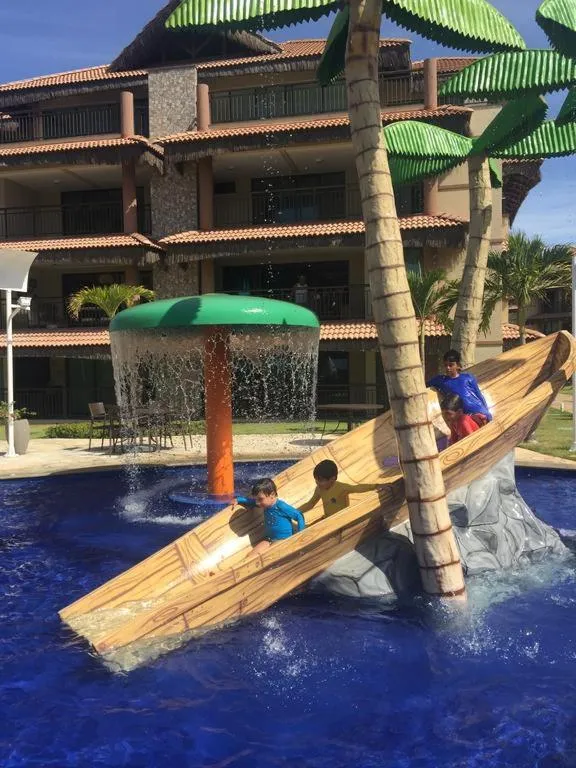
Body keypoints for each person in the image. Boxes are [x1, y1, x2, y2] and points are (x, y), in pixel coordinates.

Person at [236, 477, 305, 556]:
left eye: (260, 499)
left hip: (283, 539)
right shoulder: (264, 504)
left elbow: (299, 516)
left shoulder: (281, 506)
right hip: (269, 539)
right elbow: (251, 502)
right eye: (256, 500)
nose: (257, 503)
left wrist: (300, 536)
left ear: (272, 495)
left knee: (267, 555)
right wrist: (238, 500)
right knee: (251, 556)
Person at [427, 349, 491, 426]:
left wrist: (487, 413)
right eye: (445, 365)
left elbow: (479, 395)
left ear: (458, 365)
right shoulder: (440, 380)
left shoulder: (468, 377)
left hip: (480, 413)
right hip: (466, 418)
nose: (448, 368)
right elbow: (424, 386)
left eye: (451, 365)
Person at [299, 459, 379, 518]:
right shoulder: (320, 489)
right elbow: (310, 504)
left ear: (333, 479)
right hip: (328, 518)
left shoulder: (341, 488)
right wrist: (294, 512)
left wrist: (376, 486)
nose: (317, 483)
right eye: (316, 480)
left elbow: (357, 488)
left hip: (341, 520)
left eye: (321, 480)